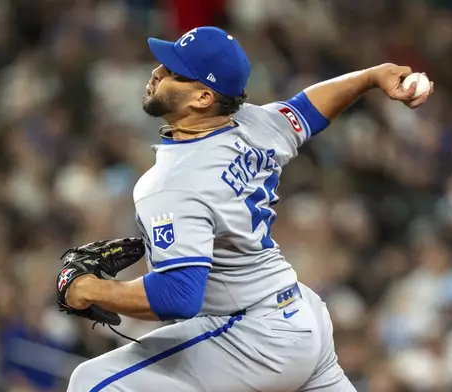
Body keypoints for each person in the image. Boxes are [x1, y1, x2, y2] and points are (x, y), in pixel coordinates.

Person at [63, 26, 432, 392]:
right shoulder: (254, 126)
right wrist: (370, 77)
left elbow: (177, 296)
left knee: (92, 382)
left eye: (172, 73)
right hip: (300, 316)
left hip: (254, 337)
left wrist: (89, 289)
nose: (156, 73)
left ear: (203, 98)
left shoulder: (170, 183)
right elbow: (308, 109)